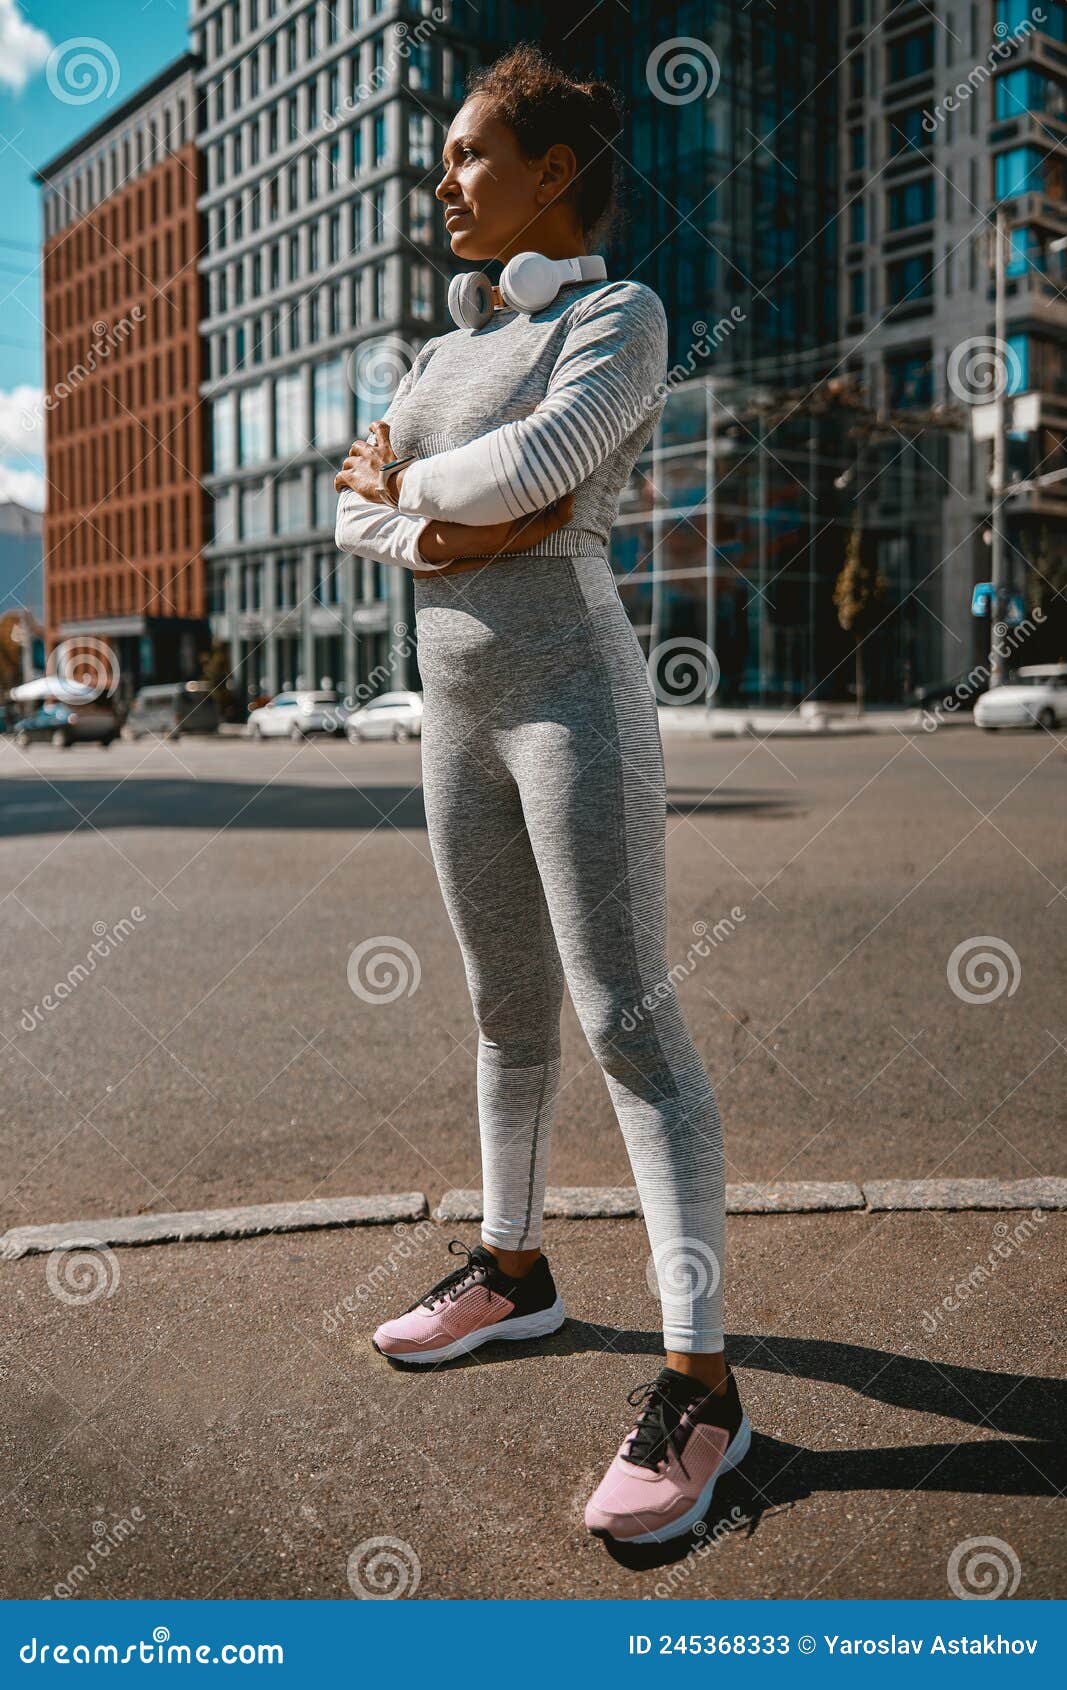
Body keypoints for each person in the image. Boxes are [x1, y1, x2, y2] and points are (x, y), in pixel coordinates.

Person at [334, 43, 749, 1547]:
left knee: (627, 1014)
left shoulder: (618, 313)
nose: (444, 179)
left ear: (554, 170)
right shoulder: (436, 354)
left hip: (573, 696)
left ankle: (701, 1379)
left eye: (469, 154)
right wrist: (427, 527)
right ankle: (513, 1274)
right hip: (451, 709)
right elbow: (356, 501)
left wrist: (419, 496)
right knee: (503, 1007)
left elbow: (549, 462)